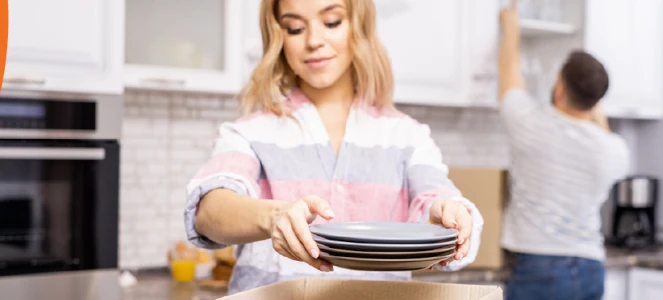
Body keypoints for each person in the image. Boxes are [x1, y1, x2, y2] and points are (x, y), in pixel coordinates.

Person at [183, 0, 484, 295]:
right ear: (279, 37)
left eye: (331, 22)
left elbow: (434, 197)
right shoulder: (248, 132)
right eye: (295, 28)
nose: (314, 40)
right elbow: (208, 212)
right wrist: (275, 216)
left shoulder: (408, 136)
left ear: (359, 26)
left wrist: (447, 215)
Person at [497, 1, 631, 300]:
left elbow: (509, 74)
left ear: (559, 89)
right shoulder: (614, 150)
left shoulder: (528, 122)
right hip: (591, 267)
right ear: (597, 101)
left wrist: (511, 29)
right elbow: (602, 130)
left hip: (539, 267)